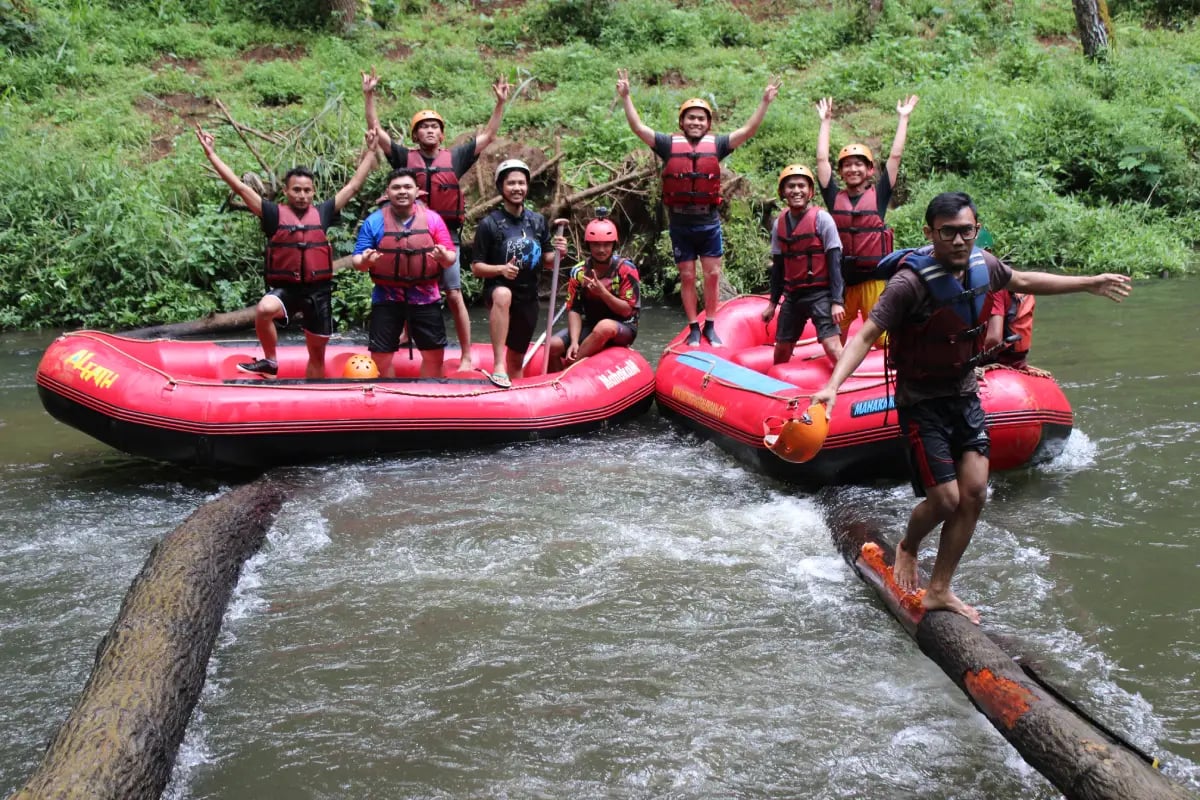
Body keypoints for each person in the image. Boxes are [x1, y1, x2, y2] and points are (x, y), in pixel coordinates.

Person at [810, 192, 1131, 624]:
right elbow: (865, 335)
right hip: (921, 402)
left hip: (964, 393)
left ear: (975, 230)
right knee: (945, 499)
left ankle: (939, 588)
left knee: (975, 493)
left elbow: (1029, 282)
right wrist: (832, 386)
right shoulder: (909, 284)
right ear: (930, 233)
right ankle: (908, 546)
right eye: (948, 232)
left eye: (967, 231)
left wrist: (1088, 282)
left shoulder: (985, 266)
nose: (959, 241)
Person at [616, 68, 781, 347]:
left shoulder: (717, 144)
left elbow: (748, 130)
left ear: (708, 123)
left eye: (700, 118)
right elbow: (638, 128)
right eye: (690, 117)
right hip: (680, 223)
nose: (695, 122)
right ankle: (693, 326)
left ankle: (711, 325)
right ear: (682, 122)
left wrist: (764, 102)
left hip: (708, 222)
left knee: (713, 274)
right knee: (688, 275)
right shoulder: (668, 145)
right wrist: (627, 97)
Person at [362, 68, 512, 374]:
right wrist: (369, 96)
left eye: (434, 127)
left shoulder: (454, 158)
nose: (430, 131)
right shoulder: (404, 158)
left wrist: (499, 104)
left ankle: (467, 353)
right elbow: (377, 132)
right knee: (404, 279)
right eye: (424, 127)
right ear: (416, 134)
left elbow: (489, 136)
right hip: (407, 232)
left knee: (453, 293)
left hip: (445, 237)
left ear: (441, 134)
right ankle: (404, 335)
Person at [195, 125, 377, 378]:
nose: (302, 195)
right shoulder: (272, 213)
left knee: (317, 356)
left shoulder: (323, 212)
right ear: (286, 191)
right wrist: (212, 155)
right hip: (288, 289)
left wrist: (370, 151)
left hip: (318, 292)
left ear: (313, 192)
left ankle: (313, 401)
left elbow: (354, 186)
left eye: (307, 191)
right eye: (296, 190)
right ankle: (270, 361)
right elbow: (239, 187)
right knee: (264, 309)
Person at [816, 95, 919, 346]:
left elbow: (895, 158)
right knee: (834, 335)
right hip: (843, 282)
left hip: (873, 279)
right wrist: (825, 122)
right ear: (841, 172)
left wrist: (903, 118)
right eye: (847, 166)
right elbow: (821, 161)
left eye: (859, 165)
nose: (853, 169)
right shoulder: (833, 196)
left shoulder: (879, 195)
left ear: (870, 170)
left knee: (882, 339)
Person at [470, 159, 567, 388]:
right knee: (504, 294)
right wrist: (501, 269)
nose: (517, 188)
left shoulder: (537, 221)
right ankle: (498, 367)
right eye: (511, 183)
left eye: (521, 183)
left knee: (517, 359)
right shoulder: (489, 224)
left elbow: (548, 262)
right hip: (498, 290)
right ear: (501, 187)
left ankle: (514, 395)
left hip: (528, 296)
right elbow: (476, 267)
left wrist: (559, 253)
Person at [351, 168, 457, 379]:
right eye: (396, 187)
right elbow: (357, 260)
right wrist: (365, 260)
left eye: (407, 187)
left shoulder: (433, 219)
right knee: (380, 357)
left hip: (425, 296)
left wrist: (443, 257)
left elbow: (450, 256)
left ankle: (428, 400)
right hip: (386, 296)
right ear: (387, 192)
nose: (402, 191)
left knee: (434, 355)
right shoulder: (374, 221)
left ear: (417, 191)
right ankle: (389, 401)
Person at [760, 164, 845, 367]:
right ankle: (779, 390)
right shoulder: (779, 224)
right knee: (781, 348)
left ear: (810, 192)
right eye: (791, 186)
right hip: (793, 295)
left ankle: (849, 383)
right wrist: (772, 303)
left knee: (831, 345)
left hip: (821, 294)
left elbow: (835, 263)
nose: (796, 191)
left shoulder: (822, 219)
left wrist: (837, 301)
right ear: (783, 192)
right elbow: (778, 268)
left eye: (801, 186)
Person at [547, 211, 641, 373]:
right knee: (553, 345)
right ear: (588, 245)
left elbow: (627, 311)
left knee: (604, 326)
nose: (601, 249)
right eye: (596, 244)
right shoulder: (579, 271)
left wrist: (603, 293)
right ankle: (555, 387)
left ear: (614, 245)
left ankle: (567, 371)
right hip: (590, 325)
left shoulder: (626, 269)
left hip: (623, 327)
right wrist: (575, 341)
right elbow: (574, 309)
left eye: (606, 244)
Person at [983, 287, 1035, 369]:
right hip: (1018, 358)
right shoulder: (1022, 286)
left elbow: (994, 339)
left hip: (996, 357)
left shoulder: (995, 289)